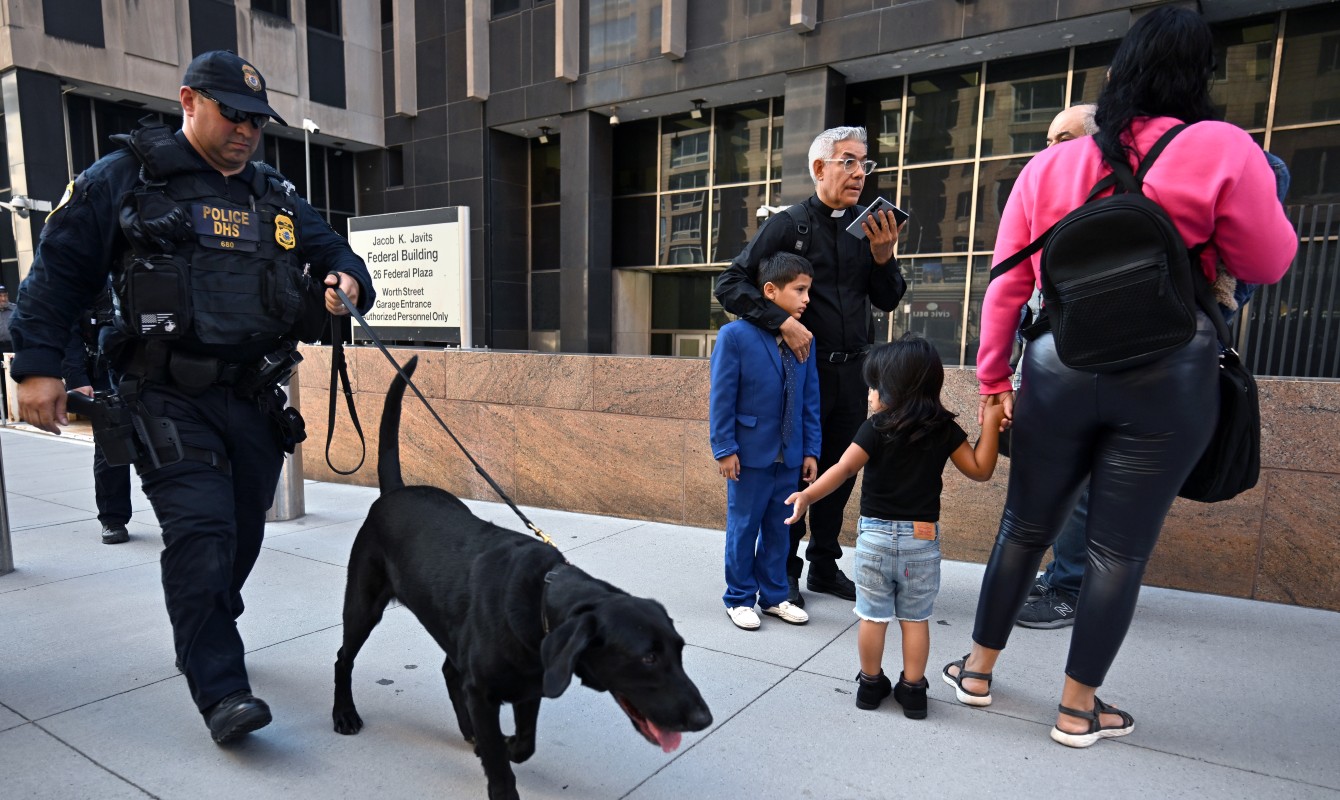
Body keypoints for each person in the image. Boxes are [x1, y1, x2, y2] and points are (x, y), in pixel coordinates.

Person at [943, 6, 1295, 749]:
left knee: (1022, 527)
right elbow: (1266, 264)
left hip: (1057, 365)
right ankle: (1077, 710)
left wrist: (993, 380)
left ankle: (976, 672)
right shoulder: (1223, 148)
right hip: (1170, 372)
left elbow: (1006, 284)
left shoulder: (1055, 162)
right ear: (1201, 73)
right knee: (1117, 551)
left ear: (1119, 71)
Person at [10, 50, 376, 744]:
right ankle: (222, 690)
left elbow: (337, 253)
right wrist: (36, 365)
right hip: (165, 394)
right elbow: (59, 269)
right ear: (188, 101)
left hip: (254, 398)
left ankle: (206, 617)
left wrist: (347, 282)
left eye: (256, 121)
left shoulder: (273, 194)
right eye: (232, 115)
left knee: (240, 536)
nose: (245, 130)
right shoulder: (125, 177)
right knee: (202, 535)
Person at [1016, 106, 1293, 631]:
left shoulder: (1142, 198)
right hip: (1076, 355)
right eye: (1049, 139)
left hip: (1132, 359)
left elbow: (1272, 177)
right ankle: (1066, 585)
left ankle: (1070, 588)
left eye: (1066, 138)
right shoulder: (1066, 191)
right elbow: (1026, 287)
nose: (1052, 150)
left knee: (1092, 484)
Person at [715, 126, 906, 608]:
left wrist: (884, 258)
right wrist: (781, 321)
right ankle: (783, 572)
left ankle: (824, 564)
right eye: (848, 161)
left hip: (855, 374)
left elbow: (887, 299)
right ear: (819, 168)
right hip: (802, 375)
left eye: (865, 163)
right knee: (799, 474)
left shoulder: (869, 228)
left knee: (841, 472)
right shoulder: (789, 225)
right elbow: (731, 283)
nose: (859, 172)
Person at [785, 335, 1004, 717]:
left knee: (873, 616)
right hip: (921, 539)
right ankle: (913, 691)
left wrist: (808, 496)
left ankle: (870, 686)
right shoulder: (943, 428)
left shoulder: (876, 427)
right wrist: (993, 423)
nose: (870, 393)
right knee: (915, 619)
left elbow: (843, 469)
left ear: (894, 388)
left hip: (875, 539)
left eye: (875, 386)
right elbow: (981, 470)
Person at [711, 251, 820, 630]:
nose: (807, 299)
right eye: (800, 290)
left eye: (809, 290)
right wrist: (724, 449)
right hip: (748, 454)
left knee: (780, 528)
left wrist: (810, 450)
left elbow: (810, 399)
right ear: (770, 291)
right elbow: (721, 397)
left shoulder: (805, 339)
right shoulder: (735, 336)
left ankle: (774, 596)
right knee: (744, 526)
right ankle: (738, 597)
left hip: (789, 455)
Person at [62, 289, 135, 544]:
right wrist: (76, 378)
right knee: (111, 445)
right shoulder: (94, 266)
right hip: (104, 368)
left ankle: (182, 518)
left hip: (155, 366)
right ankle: (112, 518)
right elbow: (69, 328)